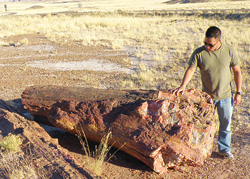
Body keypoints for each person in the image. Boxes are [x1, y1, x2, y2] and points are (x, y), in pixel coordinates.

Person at [173, 26, 242, 159]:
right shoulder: (199, 53)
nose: (206, 47)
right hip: (207, 98)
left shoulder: (229, 51)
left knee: (225, 125)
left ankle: (224, 150)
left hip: (226, 96)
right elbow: (191, 69)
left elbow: (237, 71)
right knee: (202, 125)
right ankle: (199, 150)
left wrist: (238, 92)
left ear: (219, 41)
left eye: (210, 44)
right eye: (205, 43)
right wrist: (183, 85)